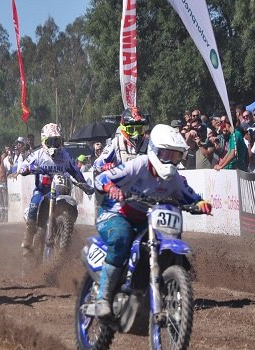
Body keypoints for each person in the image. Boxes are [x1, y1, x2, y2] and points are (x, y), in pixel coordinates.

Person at [91, 124, 212, 318]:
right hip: (115, 213)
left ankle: (166, 287)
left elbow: (191, 196)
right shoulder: (138, 165)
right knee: (122, 237)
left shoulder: (174, 178)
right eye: (167, 154)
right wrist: (111, 188)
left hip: (146, 220)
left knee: (165, 239)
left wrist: (201, 203)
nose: (171, 160)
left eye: (176, 156)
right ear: (154, 151)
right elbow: (101, 178)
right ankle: (103, 298)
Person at [18, 123, 93, 252]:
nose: (53, 145)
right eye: (50, 142)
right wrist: (29, 169)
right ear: (44, 141)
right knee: (34, 206)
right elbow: (22, 168)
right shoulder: (38, 155)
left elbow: (75, 171)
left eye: (56, 141)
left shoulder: (65, 155)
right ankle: (29, 235)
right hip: (42, 190)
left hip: (60, 191)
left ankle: (66, 233)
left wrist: (84, 183)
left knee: (71, 206)